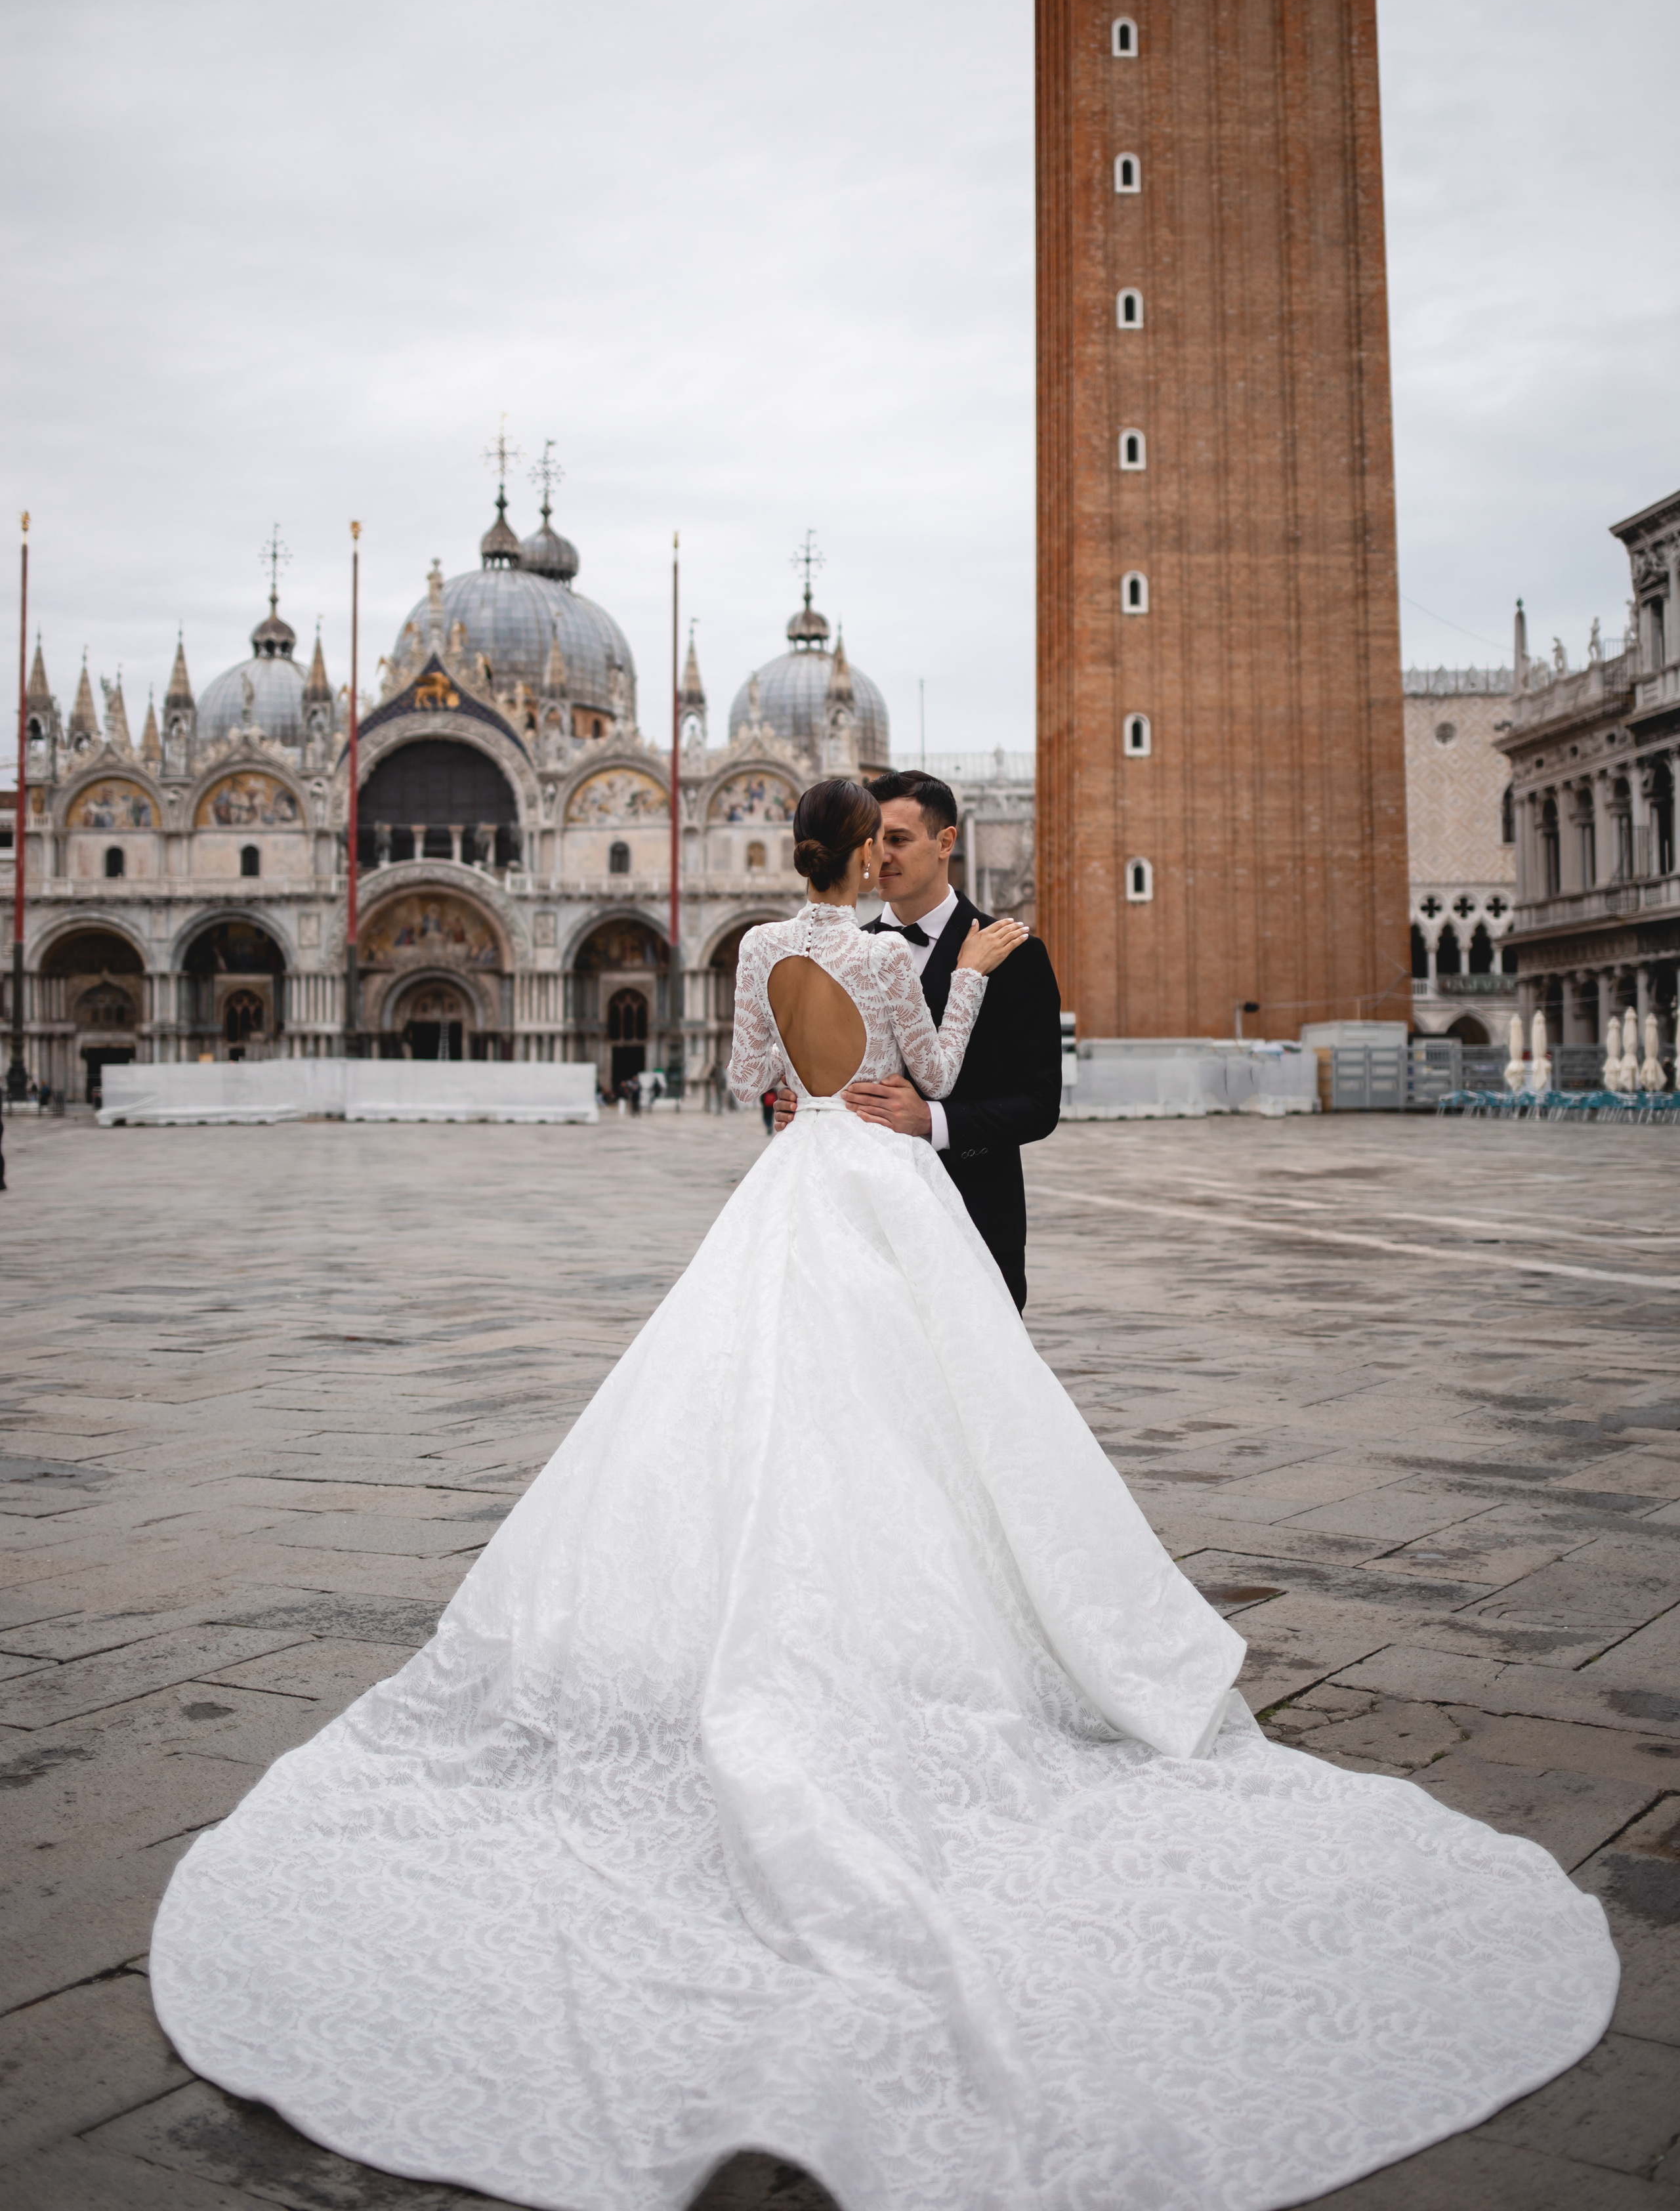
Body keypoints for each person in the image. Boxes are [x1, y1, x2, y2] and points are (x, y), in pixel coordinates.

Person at [150, 776, 1616, 2211]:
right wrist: (948, 1000)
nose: (899, 857)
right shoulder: (874, 948)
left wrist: (818, 1089)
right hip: (885, 1194)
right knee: (896, 1438)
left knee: (796, 1431)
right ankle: (915, 1659)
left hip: (798, 1195)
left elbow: (758, 1088)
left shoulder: (759, 948)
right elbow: (923, 1065)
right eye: (887, 841)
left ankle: (809, 1646)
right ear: (868, 856)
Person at [776, 770, 1060, 1309]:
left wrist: (932, 1122)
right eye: (875, 841)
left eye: (899, 840)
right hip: (854, 1226)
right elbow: (796, 1067)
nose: (881, 857)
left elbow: (1040, 1104)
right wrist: (793, 1103)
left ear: (945, 841)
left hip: (969, 1218)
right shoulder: (841, 953)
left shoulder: (1014, 955)